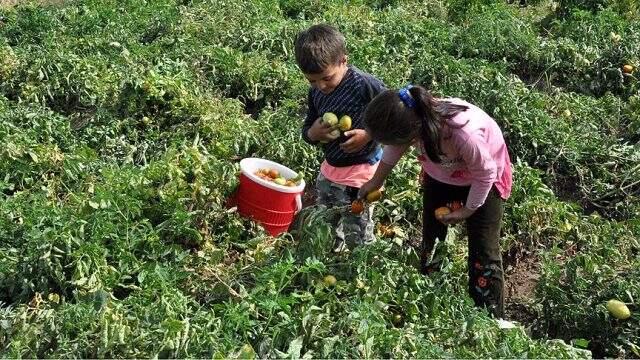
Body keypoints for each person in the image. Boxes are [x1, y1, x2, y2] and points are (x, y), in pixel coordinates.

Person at [358, 85, 513, 318]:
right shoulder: (411, 119)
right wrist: (376, 182)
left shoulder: (463, 134)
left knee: (484, 252)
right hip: (441, 175)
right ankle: (430, 296)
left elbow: (485, 174)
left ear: (414, 132)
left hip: (483, 182)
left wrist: (468, 209)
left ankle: (490, 317)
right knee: (432, 239)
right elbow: (394, 148)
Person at [294, 24, 386, 252]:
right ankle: (334, 257)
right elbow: (308, 127)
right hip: (331, 168)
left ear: (343, 61)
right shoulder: (316, 91)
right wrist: (312, 133)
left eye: (326, 78)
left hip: (360, 172)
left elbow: (393, 115)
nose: (320, 86)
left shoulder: (364, 85)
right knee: (327, 219)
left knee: (357, 226)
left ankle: (360, 269)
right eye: (312, 81)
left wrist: (369, 134)